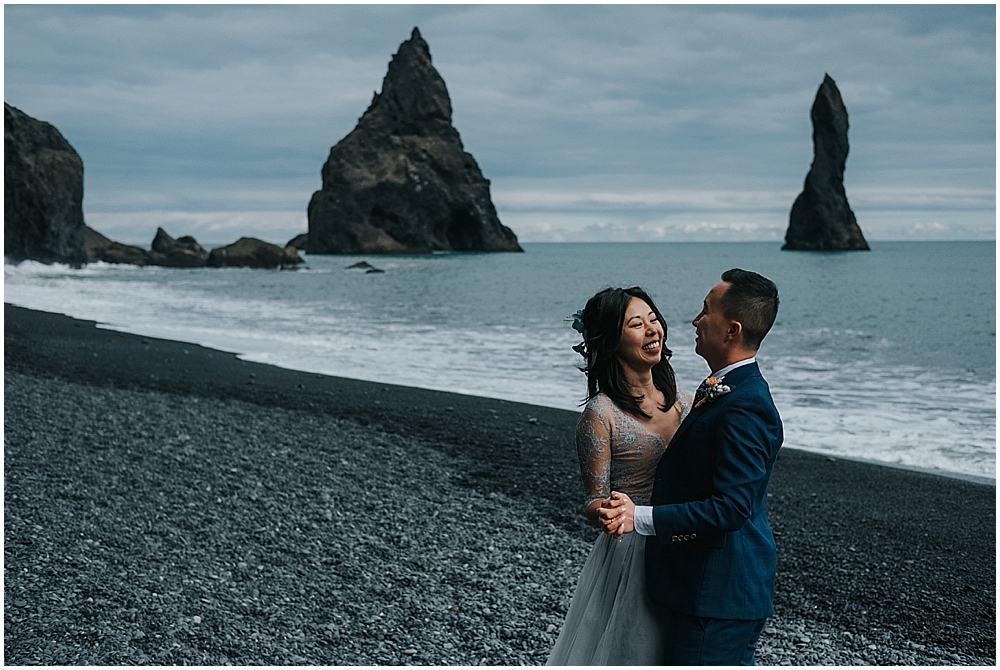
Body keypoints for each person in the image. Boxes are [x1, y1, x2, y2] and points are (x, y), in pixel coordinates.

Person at [600, 268, 782, 665]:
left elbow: (732, 508)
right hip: (701, 588)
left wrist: (639, 517)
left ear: (732, 330)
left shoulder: (746, 406)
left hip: (720, 596)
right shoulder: (723, 388)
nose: (695, 320)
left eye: (705, 311)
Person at [546, 286, 692, 665]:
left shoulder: (687, 402)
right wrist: (608, 513)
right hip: (633, 551)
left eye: (654, 319)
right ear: (611, 340)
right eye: (636, 324)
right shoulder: (601, 414)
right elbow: (593, 499)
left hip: (686, 537)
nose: (652, 329)